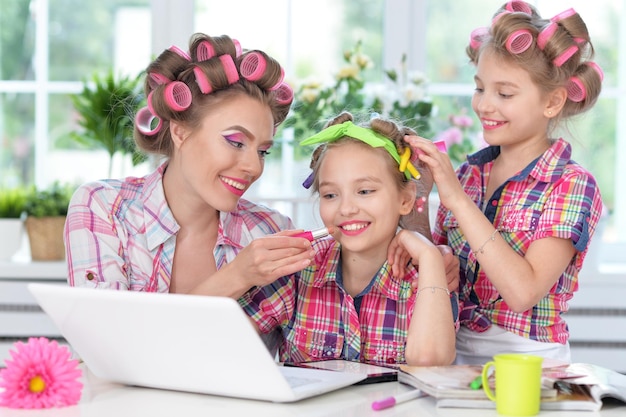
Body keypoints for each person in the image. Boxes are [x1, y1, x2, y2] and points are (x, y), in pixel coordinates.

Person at [406, 1, 604, 364]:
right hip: (453, 353)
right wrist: (441, 256)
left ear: (553, 101)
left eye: (505, 93)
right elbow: (441, 271)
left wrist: (457, 200)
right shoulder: (468, 175)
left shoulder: (572, 184)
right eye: (480, 88)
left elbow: (523, 290)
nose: (484, 105)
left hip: (532, 365)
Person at [64, 32, 315, 297]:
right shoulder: (105, 209)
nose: (253, 167)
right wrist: (237, 276)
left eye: (263, 151)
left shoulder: (272, 232)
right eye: (236, 142)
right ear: (180, 132)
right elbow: (108, 334)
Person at [241, 112, 458, 366]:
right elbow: (223, 341)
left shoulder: (428, 279)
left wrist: (430, 256)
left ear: (406, 199)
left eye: (364, 191)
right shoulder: (298, 270)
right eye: (331, 195)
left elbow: (430, 363)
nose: (346, 209)